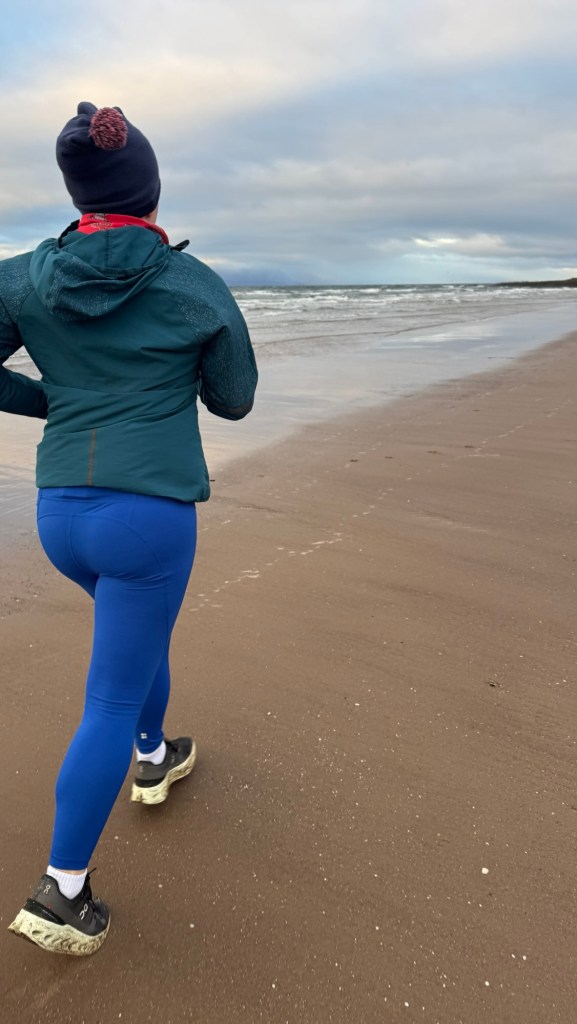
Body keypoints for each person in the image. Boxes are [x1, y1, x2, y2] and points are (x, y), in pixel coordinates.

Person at [0, 102, 257, 955]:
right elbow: (234, 398)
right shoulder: (191, 283)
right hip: (146, 516)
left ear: (78, 193)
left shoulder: (22, 277)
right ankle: (61, 892)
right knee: (107, 694)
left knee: (131, 647)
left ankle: (155, 754)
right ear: (149, 189)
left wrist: (53, 399)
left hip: (60, 515)